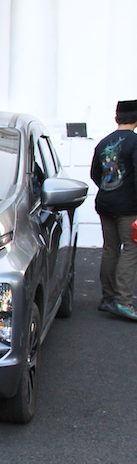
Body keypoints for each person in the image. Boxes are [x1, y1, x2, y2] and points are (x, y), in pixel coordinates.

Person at [90, 99, 137, 320]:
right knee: (131, 249)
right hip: (128, 206)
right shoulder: (134, 142)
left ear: (117, 117)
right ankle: (123, 301)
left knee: (110, 248)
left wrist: (110, 189)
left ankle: (108, 298)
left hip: (106, 202)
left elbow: (95, 174)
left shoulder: (103, 143)